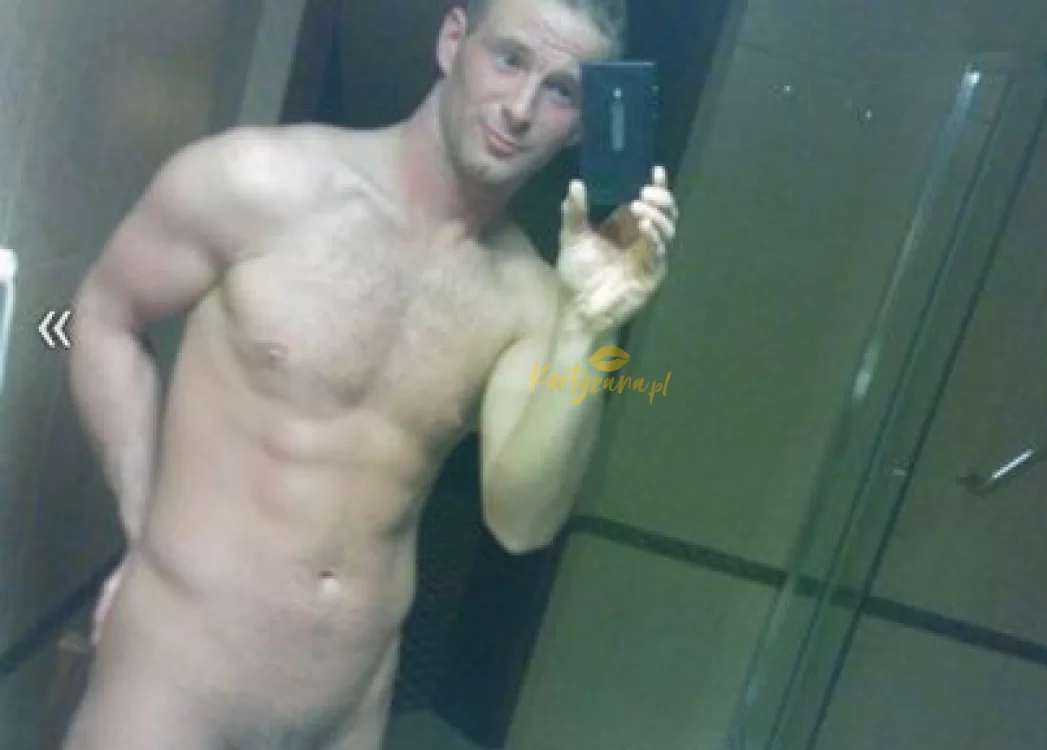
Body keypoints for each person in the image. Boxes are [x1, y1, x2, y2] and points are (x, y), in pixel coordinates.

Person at [60, 0, 678, 747]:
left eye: (560, 91)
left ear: (580, 126)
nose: (519, 109)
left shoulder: (531, 300)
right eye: (510, 58)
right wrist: (139, 525)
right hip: (174, 687)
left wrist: (587, 328)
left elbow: (522, 523)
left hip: (347, 709)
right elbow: (105, 316)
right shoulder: (259, 182)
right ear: (453, 40)